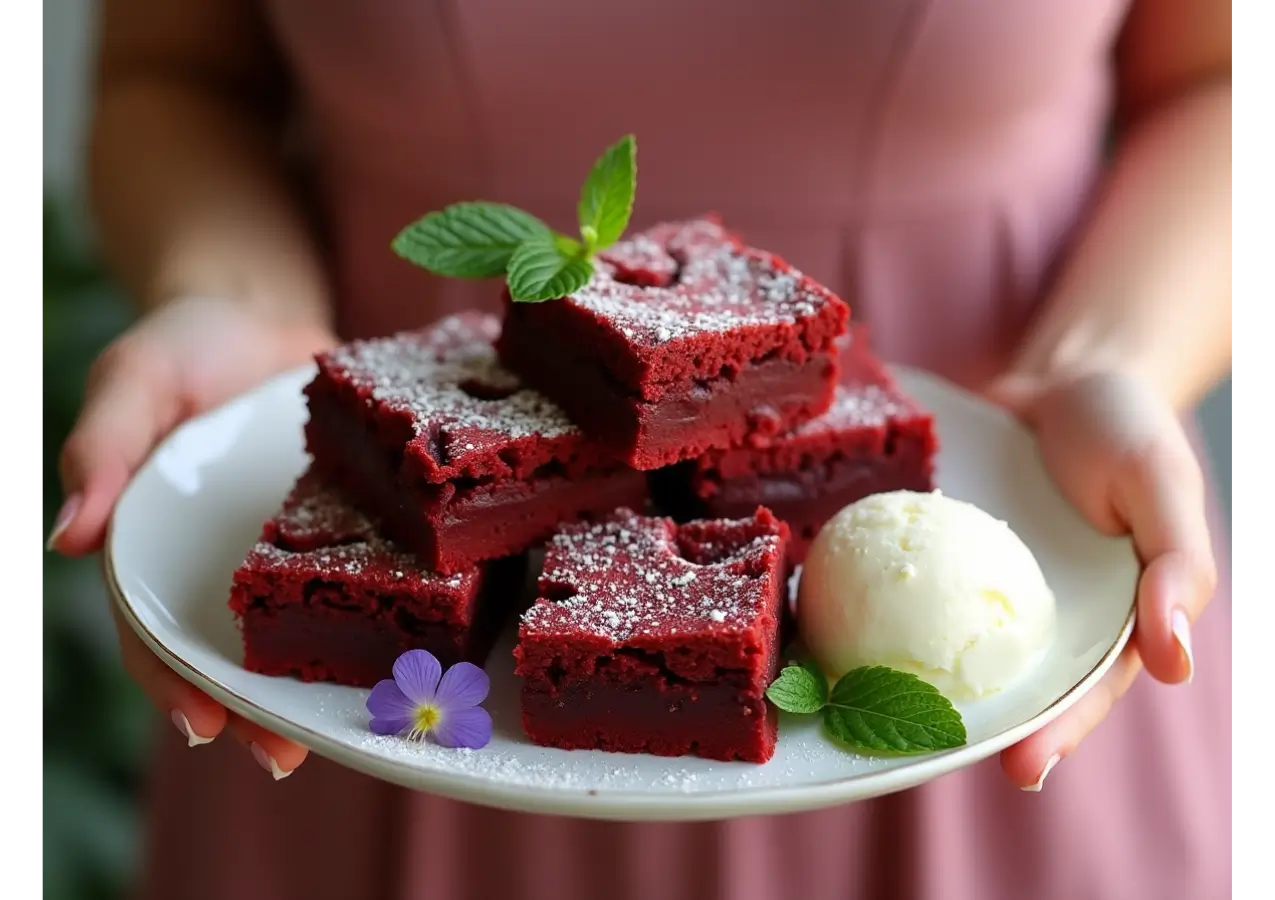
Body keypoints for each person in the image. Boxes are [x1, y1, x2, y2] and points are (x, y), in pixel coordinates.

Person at [48, 1, 1258, 898]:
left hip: (1009, 588)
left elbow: (1240, 81)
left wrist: (1111, 356)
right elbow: (173, 73)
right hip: (378, 723)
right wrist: (229, 291)